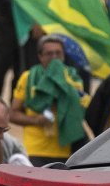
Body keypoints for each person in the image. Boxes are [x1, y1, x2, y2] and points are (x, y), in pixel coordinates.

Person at [11, 35, 89, 166]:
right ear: (40, 56)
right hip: (35, 150)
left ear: (64, 56)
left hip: (65, 150)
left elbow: (78, 109)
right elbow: (12, 114)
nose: (54, 57)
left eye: (58, 53)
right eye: (49, 53)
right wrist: (36, 120)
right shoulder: (28, 77)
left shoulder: (73, 78)